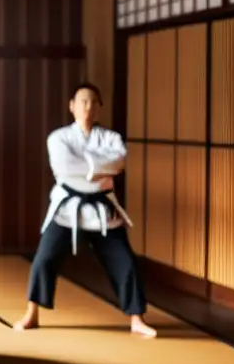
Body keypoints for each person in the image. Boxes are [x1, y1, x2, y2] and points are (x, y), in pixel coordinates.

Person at [14, 82, 156, 337]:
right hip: (67, 208)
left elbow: (119, 162)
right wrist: (98, 165)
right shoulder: (58, 137)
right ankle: (31, 313)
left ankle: (137, 318)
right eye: (83, 101)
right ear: (72, 106)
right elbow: (64, 167)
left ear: (100, 108)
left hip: (102, 210)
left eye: (93, 102)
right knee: (43, 260)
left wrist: (89, 163)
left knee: (125, 262)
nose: (88, 106)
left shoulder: (111, 138)